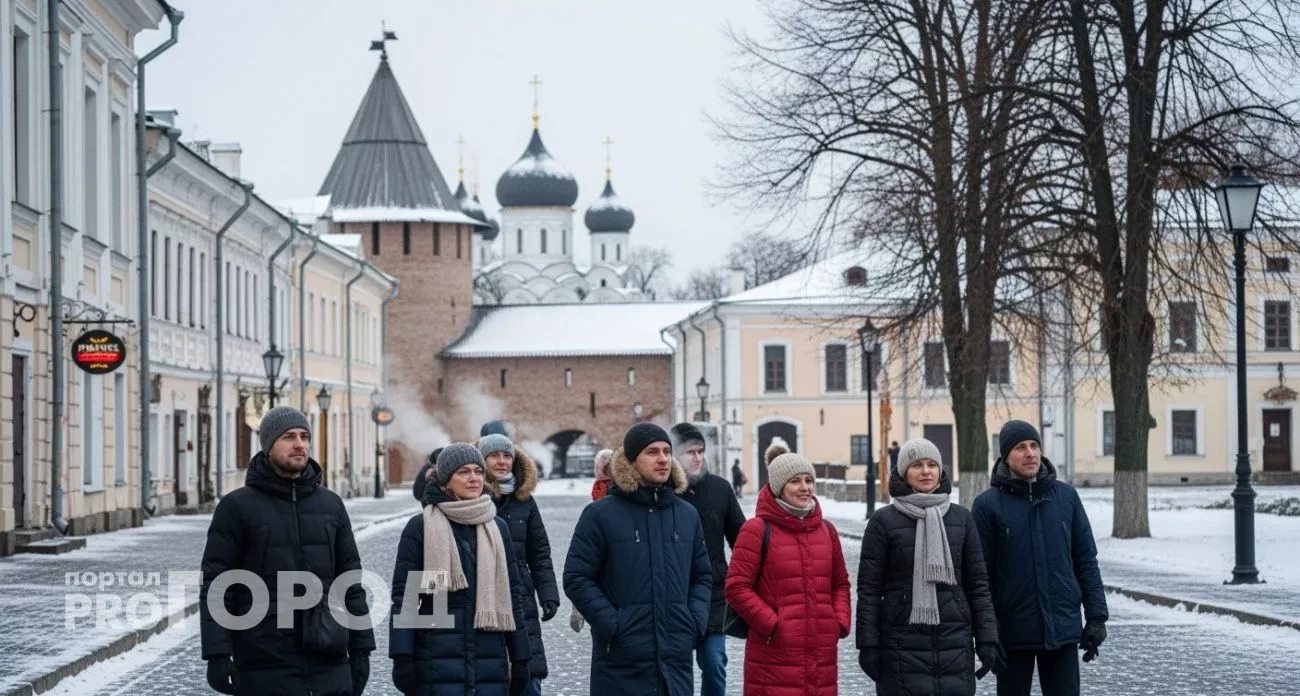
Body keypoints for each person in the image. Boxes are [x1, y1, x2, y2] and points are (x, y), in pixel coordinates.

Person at [200, 406, 375, 696]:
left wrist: (361, 650)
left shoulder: (331, 506)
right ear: (268, 446)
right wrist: (217, 655)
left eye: (304, 436)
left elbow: (350, 583)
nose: (299, 444)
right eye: (289, 437)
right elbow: (217, 586)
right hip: (263, 664)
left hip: (328, 661)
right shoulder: (237, 507)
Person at [563, 422, 712, 696]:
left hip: (675, 660)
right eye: (652, 452)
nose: (663, 459)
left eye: (667, 451)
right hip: (621, 662)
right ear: (632, 460)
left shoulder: (687, 515)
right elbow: (577, 577)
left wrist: (693, 623)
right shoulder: (600, 514)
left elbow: (702, 575)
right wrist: (614, 624)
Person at [972, 420, 1108, 696]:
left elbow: (1086, 561)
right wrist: (987, 634)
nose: (1030, 453)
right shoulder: (987, 505)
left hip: (1061, 628)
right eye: (1020, 447)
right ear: (1005, 456)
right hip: (1011, 633)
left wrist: (1097, 617)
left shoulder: (1066, 497)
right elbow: (979, 576)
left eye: (1034, 446)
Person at [856, 438, 1001, 695]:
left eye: (932, 465)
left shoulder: (961, 518)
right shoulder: (883, 521)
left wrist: (987, 638)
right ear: (904, 472)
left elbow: (978, 584)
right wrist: (868, 645)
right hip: (900, 642)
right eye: (917, 465)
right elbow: (869, 589)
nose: (926, 471)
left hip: (955, 640)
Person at [389, 443, 532, 696]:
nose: (474, 478)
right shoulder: (422, 527)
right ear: (446, 480)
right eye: (464, 472)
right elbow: (407, 599)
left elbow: (512, 596)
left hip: (490, 658)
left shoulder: (497, 528)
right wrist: (402, 657)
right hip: (436, 659)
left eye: (478, 471)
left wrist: (520, 658)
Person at [724, 442, 851, 696]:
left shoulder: (827, 530)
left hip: (822, 652)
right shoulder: (756, 529)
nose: (805, 488)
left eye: (809, 480)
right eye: (795, 481)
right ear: (779, 486)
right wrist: (773, 624)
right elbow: (736, 587)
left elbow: (840, 583)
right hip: (773, 653)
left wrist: (838, 621)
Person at [479, 433, 559, 695]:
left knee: (528, 669)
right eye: (494, 456)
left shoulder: (525, 501)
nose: (502, 462)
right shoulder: (471, 499)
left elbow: (539, 552)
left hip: (520, 594)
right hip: (482, 597)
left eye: (507, 456)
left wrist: (548, 593)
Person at [671, 422, 746, 696]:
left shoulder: (720, 489)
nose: (697, 457)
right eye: (689, 452)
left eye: (700, 451)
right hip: (674, 594)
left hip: (714, 594)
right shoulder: (664, 492)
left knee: (715, 664)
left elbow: (742, 540)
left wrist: (742, 580)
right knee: (676, 671)